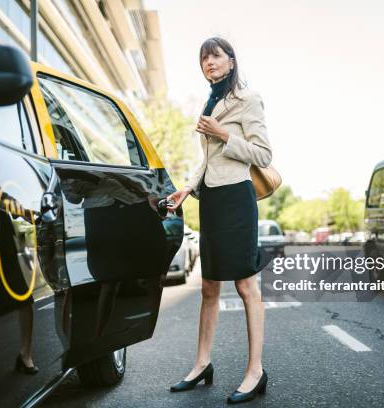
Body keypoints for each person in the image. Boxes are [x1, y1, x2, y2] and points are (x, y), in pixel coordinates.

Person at [166, 37, 273, 404]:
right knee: (209, 287)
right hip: (210, 200)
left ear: (230, 61)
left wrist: (224, 133)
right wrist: (186, 188)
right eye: (203, 58)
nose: (208, 63)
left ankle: (255, 371)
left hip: (237, 201)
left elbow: (262, 152)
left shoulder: (249, 99)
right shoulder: (210, 101)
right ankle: (201, 364)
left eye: (214, 56)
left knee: (246, 288)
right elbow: (207, 159)